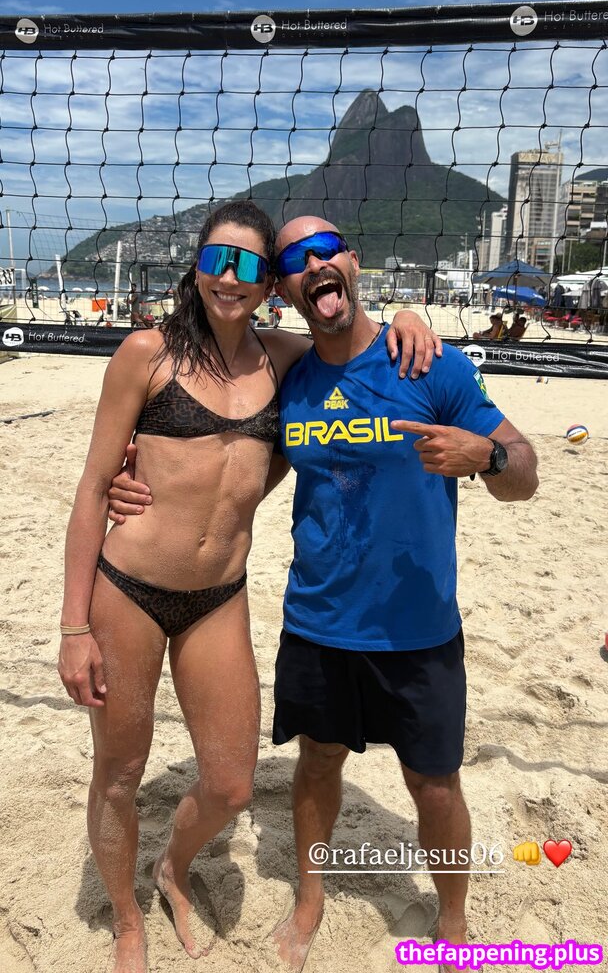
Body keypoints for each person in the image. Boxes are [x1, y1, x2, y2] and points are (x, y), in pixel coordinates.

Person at [110, 216, 538, 973]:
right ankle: (308, 900)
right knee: (316, 764)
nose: (313, 265)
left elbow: (525, 473)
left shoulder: (428, 363)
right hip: (318, 619)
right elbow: (234, 460)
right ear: (284, 287)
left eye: (325, 250)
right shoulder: (294, 375)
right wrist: (140, 487)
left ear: (353, 262)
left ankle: (453, 921)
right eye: (294, 260)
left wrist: (489, 455)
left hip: (417, 625)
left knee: (435, 785)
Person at [58, 201, 439, 973]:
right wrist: (73, 629)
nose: (229, 278)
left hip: (218, 597)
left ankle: (171, 867)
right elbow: (95, 489)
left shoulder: (286, 359)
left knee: (232, 786)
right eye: (217, 260)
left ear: (270, 284)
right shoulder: (147, 354)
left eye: (249, 266)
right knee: (120, 773)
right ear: (197, 268)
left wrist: (409, 314)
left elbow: (352, 341)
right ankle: (128, 922)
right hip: (128, 588)